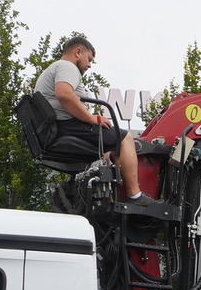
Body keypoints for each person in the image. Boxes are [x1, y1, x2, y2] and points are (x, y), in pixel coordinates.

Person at [35, 36, 151, 207]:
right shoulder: (67, 67)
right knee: (124, 138)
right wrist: (91, 118)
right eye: (89, 59)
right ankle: (134, 195)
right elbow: (64, 95)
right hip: (66, 126)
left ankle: (107, 200)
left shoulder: (50, 71)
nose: (89, 65)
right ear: (78, 52)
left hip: (56, 128)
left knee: (106, 152)